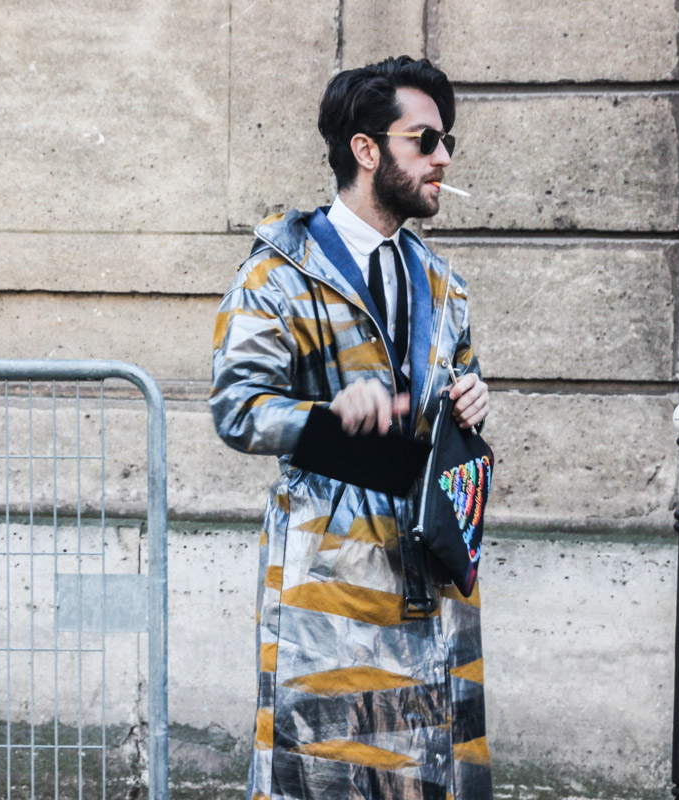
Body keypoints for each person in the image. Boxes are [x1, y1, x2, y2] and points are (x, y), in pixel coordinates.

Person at [209, 56, 492, 800]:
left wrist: (471, 401)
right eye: (423, 139)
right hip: (330, 569)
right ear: (367, 150)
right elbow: (237, 408)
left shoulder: (442, 283)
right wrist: (329, 417)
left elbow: (455, 388)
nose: (443, 158)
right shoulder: (279, 272)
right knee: (326, 767)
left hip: (430, 563)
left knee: (430, 770)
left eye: (446, 140)